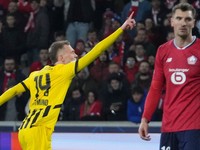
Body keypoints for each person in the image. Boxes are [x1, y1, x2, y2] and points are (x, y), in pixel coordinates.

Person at [0, 12, 135, 149]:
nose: (75, 54)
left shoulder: (36, 74)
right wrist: (121, 28)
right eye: (71, 52)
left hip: (26, 130)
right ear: (61, 57)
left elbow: (14, 90)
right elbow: (97, 50)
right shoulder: (65, 71)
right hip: (38, 131)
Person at [138, 3, 200, 150]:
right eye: (179, 18)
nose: (183, 23)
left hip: (195, 127)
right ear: (172, 21)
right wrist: (145, 119)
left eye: (187, 19)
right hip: (169, 126)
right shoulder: (163, 51)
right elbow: (155, 88)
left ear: (194, 22)